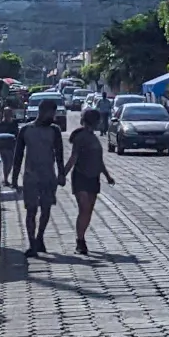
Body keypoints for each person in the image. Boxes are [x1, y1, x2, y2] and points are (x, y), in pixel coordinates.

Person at [12, 99, 65, 257]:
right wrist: (14, 178)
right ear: (42, 112)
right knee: (31, 210)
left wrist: (61, 173)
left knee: (46, 208)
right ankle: (31, 242)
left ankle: (40, 236)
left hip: (48, 176)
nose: (53, 116)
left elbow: (59, 154)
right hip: (31, 176)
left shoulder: (54, 130)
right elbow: (18, 155)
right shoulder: (25, 130)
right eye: (51, 113)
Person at [65, 109, 115, 255]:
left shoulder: (94, 137)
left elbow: (99, 161)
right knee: (84, 209)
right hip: (81, 176)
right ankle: (80, 241)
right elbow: (73, 158)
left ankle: (82, 238)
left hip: (94, 178)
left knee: (88, 212)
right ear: (95, 121)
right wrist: (62, 175)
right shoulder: (81, 137)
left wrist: (107, 176)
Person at [0, 106, 20, 188]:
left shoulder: (14, 123)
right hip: (3, 146)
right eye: (6, 113)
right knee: (6, 163)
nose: (8, 114)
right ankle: (5, 179)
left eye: (9, 112)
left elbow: (17, 133)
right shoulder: (0, 124)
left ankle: (5, 178)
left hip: (12, 145)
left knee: (10, 163)